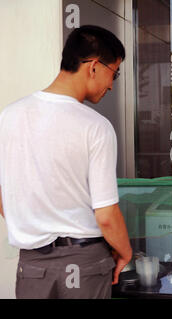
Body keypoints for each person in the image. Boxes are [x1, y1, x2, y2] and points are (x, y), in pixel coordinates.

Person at [0, 25, 132, 299]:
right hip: (85, 264)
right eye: (114, 73)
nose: (111, 84)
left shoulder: (8, 117)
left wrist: (32, 222)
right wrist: (125, 251)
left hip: (32, 265)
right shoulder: (96, 126)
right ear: (94, 66)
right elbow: (106, 216)